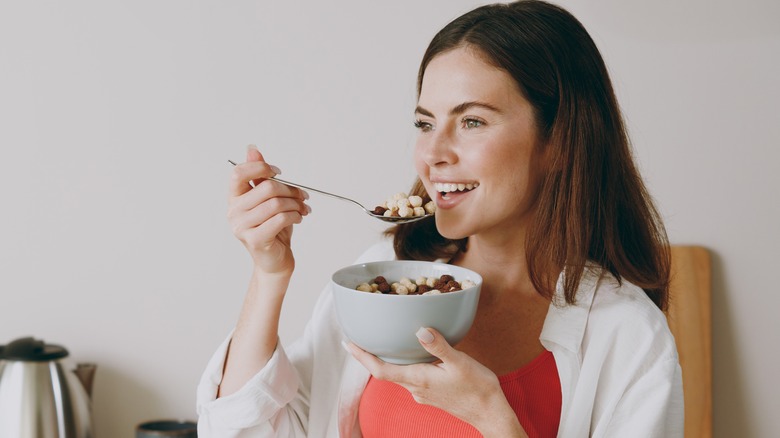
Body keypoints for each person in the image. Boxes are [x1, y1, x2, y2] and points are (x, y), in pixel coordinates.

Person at [196, 1, 684, 436]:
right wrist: (269, 274)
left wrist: (493, 417)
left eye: (472, 121)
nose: (431, 155)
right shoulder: (381, 279)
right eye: (425, 123)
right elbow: (252, 430)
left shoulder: (629, 336)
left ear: (559, 142)